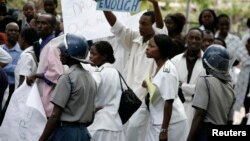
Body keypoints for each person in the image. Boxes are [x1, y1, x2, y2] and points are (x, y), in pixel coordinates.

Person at [102, 0, 168, 140]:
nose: (140, 26)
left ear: (153, 25)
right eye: (139, 23)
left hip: (145, 98)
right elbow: (117, 27)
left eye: (144, 24)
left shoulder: (159, 42)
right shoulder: (135, 38)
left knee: (135, 133)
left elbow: (161, 28)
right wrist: (104, 5)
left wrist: (155, 4)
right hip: (128, 96)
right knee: (124, 132)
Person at [39, 33, 96, 141]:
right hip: (84, 133)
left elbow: (55, 115)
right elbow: (91, 115)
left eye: (61, 51)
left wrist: (42, 139)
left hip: (66, 133)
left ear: (68, 53)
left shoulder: (67, 77)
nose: (59, 54)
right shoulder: (90, 77)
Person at [143, 34, 188, 141]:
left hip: (171, 124)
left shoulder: (167, 71)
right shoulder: (160, 66)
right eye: (148, 45)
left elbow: (169, 101)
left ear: (162, 50)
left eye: (152, 46)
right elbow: (159, 90)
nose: (147, 48)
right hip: (158, 120)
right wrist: (148, 84)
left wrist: (164, 130)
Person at [187, 45, 235, 141]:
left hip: (206, 130)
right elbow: (230, 120)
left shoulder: (205, 81)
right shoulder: (230, 87)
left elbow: (200, 114)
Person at [87, 41, 125, 141]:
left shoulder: (98, 72)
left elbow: (88, 92)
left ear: (104, 56)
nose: (90, 56)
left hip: (98, 125)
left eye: (94, 54)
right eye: (90, 53)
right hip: (116, 126)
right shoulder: (115, 71)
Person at [171, 27, 206, 130]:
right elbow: (171, 85)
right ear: (186, 39)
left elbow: (203, 89)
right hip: (176, 107)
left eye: (197, 38)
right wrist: (192, 89)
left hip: (196, 110)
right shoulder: (175, 60)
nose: (194, 41)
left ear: (202, 41)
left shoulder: (208, 63)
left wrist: (181, 86)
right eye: (191, 38)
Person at [2, 22, 21, 95]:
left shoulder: (22, 52)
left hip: (14, 88)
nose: (13, 32)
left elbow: (19, 69)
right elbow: (16, 68)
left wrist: (2, 66)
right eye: (11, 30)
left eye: (16, 31)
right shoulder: (1, 49)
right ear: (5, 32)